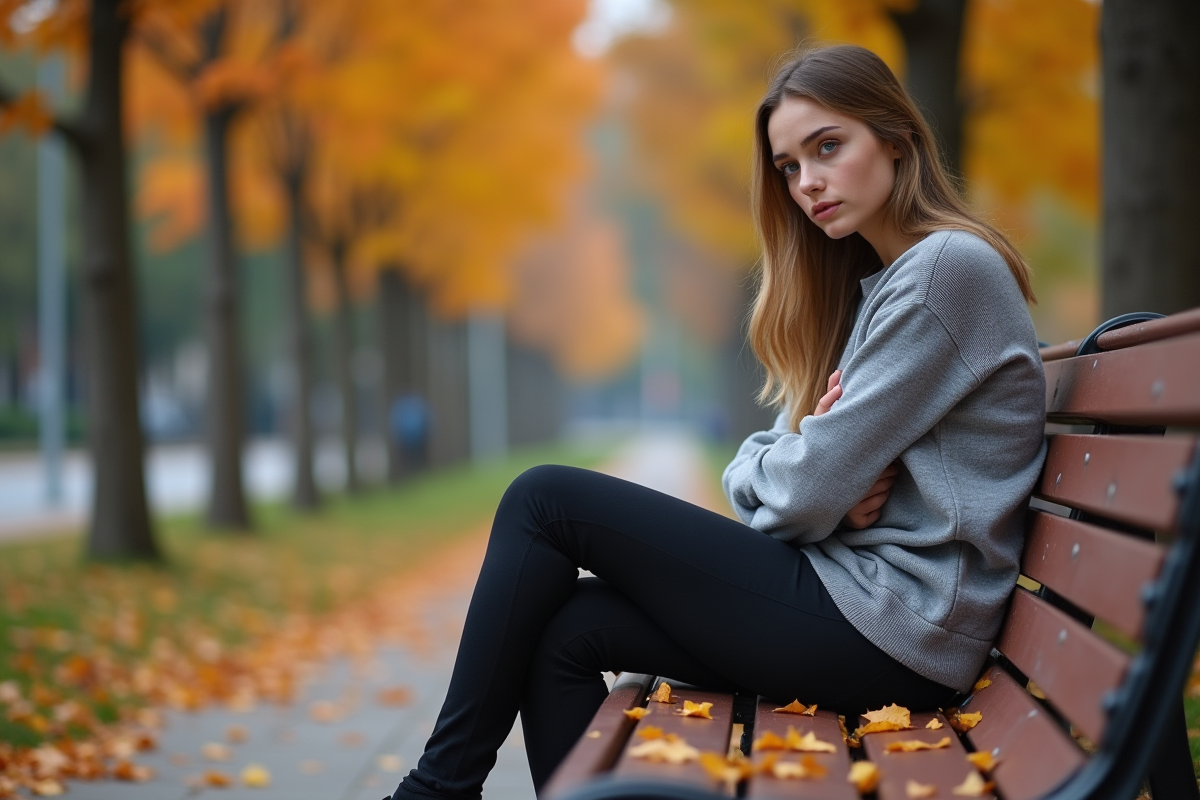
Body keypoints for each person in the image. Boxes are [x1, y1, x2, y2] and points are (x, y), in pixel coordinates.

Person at [388, 44, 1047, 800]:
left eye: (828, 148)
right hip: (878, 615)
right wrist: (810, 475)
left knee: (543, 501)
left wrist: (817, 484)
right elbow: (801, 472)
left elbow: (804, 493)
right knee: (568, 632)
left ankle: (433, 791)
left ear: (895, 139)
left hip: (898, 633)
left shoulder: (942, 274)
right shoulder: (894, 285)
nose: (808, 184)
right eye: (790, 167)